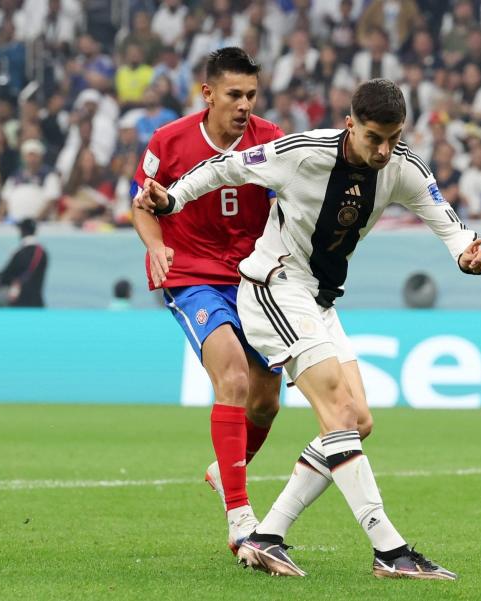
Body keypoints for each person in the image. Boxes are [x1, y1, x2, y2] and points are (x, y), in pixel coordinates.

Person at [137, 78, 481, 580]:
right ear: (350, 125)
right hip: (273, 286)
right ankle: (390, 550)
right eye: (373, 138)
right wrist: (172, 200)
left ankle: (267, 536)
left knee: (358, 420)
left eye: (393, 137)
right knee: (339, 413)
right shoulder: (303, 152)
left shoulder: (403, 166)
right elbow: (227, 166)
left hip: (319, 300)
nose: (384, 149)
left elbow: (444, 218)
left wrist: (465, 251)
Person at [129, 47, 285, 555]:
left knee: (265, 403)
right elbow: (142, 204)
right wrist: (155, 243)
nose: (244, 104)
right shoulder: (168, 141)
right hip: (194, 276)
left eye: (251, 95)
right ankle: (241, 519)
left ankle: (224, 472)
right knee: (233, 379)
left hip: (255, 281)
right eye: (235, 94)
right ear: (209, 93)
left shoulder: (273, 142)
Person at [0, 218, 47, 307]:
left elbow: (8, 273)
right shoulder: (41, 252)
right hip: (36, 302)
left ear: (22, 231)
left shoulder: (23, 252)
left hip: (20, 302)